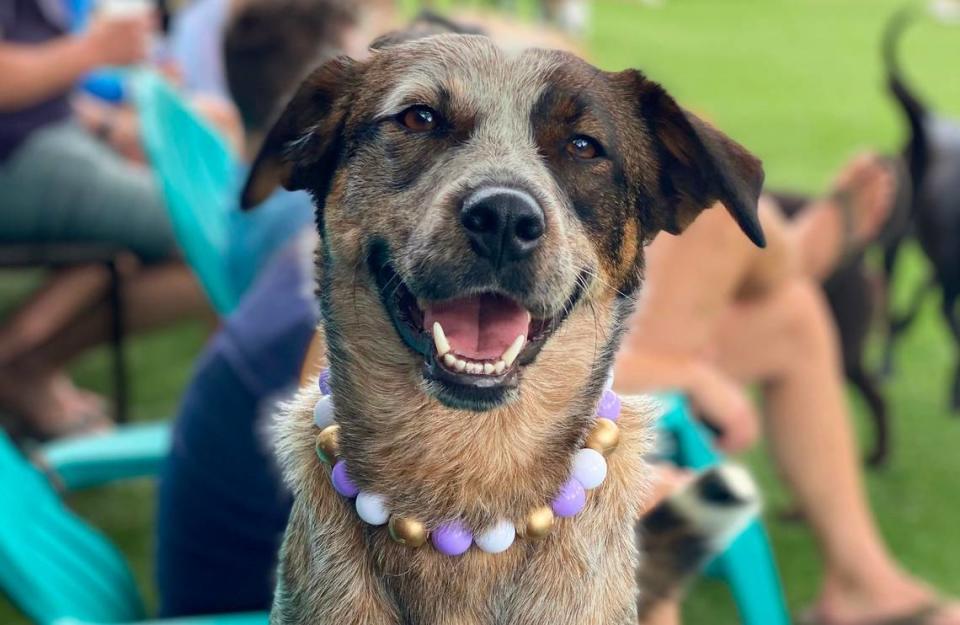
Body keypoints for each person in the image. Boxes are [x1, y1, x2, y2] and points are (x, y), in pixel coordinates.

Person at [617, 154, 960, 625]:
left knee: (790, 314)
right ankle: (795, 255)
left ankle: (861, 582)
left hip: (617, 445)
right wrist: (687, 375)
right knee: (715, 207)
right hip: (554, 484)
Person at [0, 0, 213, 439]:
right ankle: (21, 365)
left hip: (43, 146)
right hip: (16, 161)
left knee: (176, 209)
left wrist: (110, 129)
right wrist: (93, 49)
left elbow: (48, 96)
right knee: (212, 242)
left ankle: (23, 360)